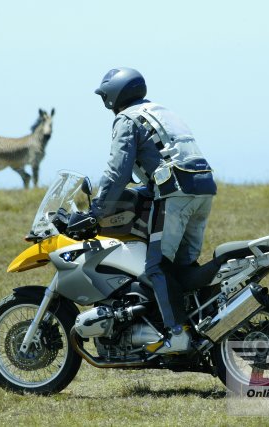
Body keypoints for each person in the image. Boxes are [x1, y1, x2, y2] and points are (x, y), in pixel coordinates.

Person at [91, 67, 217, 354]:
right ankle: (202, 324)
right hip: (203, 187)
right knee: (183, 267)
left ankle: (178, 334)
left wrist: (97, 210)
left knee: (156, 266)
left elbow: (117, 171)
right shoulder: (160, 110)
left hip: (175, 193)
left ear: (113, 95)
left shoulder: (127, 118)